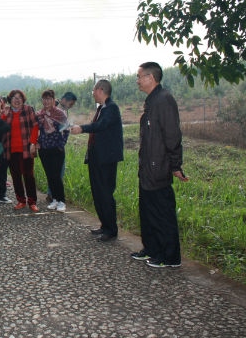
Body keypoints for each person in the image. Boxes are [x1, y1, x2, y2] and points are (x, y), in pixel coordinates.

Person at [133, 62, 188, 267]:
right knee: (148, 211)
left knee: (162, 213)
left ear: (151, 78)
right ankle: (152, 249)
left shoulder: (164, 100)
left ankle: (170, 257)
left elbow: (172, 135)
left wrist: (175, 165)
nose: (137, 81)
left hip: (159, 168)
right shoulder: (152, 101)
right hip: (148, 167)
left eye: (139, 76)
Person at [71, 80, 123, 242]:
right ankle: (104, 225)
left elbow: (101, 125)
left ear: (101, 90)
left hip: (106, 158)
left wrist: (82, 128)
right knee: (98, 193)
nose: (92, 93)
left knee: (105, 193)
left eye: (93, 90)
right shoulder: (102, 108)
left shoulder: (111, 108)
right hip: (96, 157)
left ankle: (111, 230)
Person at [2, 89, 39, 212]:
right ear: (10, 100)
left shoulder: (28, 109)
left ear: (23, 100)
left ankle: (32, 202)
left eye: (19, 97)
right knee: (16, 176)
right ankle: (21, 200)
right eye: (14, 98)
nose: (17, 100)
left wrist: (33, 143)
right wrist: (4, 115)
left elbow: (35, 126)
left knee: (29, 176)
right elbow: (2, 127)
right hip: (11, 150)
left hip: (26, 149)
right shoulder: (7, 112)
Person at [36, 89, 70, 213]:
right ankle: (55, 199)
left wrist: (61, 144)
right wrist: (37, 142)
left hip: (56, 148)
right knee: (50, 175)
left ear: (53, 100)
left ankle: (62, 201)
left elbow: (67, 129)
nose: (46, 101)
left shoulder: (60, 113)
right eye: (44, 99)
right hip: (44, 149)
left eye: (49, 99)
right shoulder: (39, 114)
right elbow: (36, 130)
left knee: (56, 175)